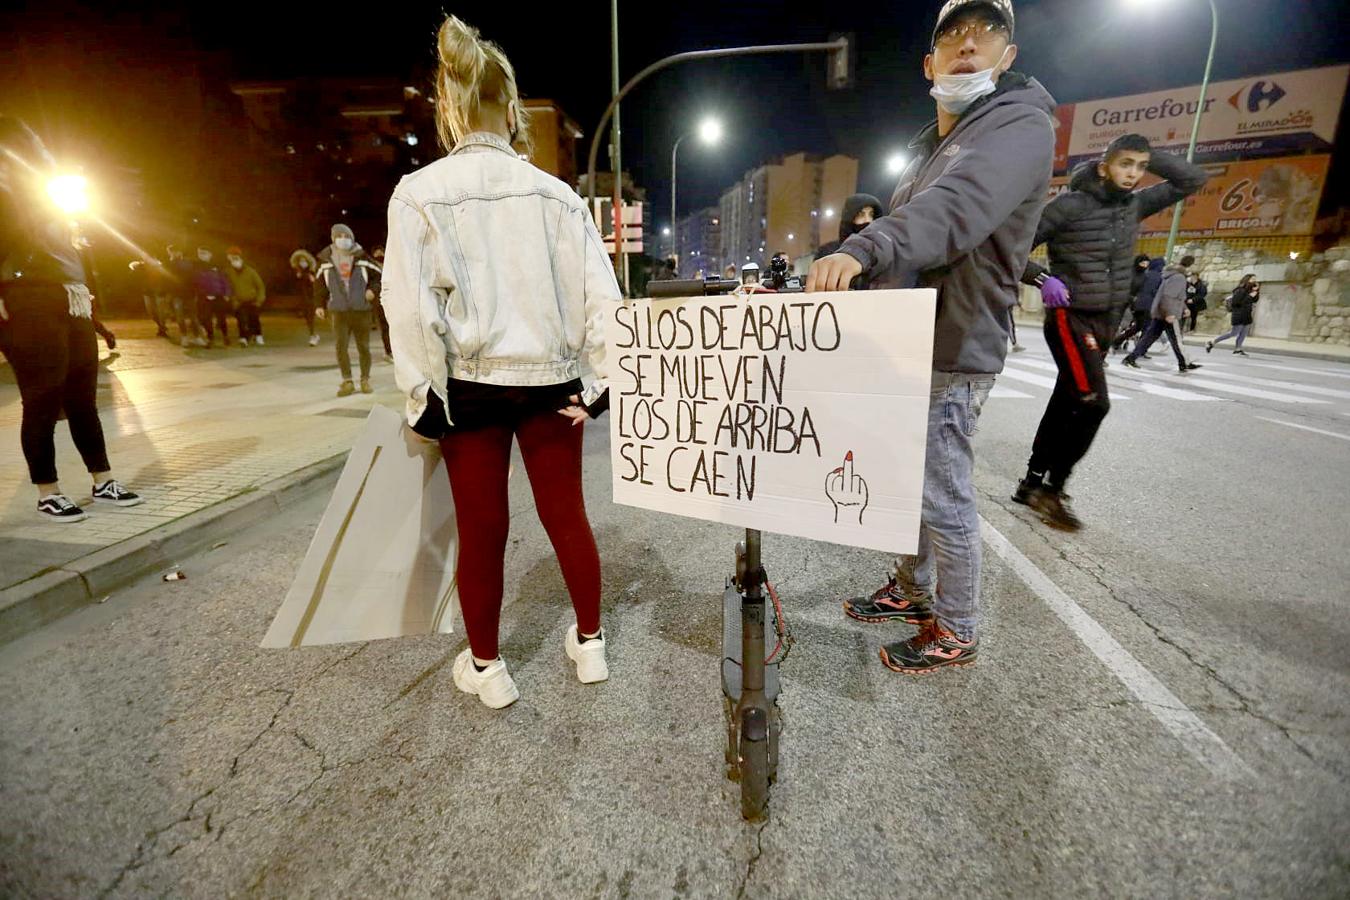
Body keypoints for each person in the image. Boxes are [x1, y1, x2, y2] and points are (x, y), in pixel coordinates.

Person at [809, 0, 1056, 674]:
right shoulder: (939, 141)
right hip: (912, 340)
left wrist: (867, 246)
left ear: (1009, 55)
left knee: (943, 494)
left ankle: (957, 626)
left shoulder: (1016, 126)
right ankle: (912, 589)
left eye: (987, 33)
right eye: (953, 35)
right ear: (930, 63)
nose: (968, 45)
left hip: (955, 342)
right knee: (905, 484)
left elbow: (957, 210)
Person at [382, 14, 620, 708]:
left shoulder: (419, 193)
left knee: (484, 530)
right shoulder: (560, 196)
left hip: (473, 388)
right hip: (552, 383)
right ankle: (590, 642)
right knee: (566, 516)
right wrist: (600, 386)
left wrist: (421, 399)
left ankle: (488, 667)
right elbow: (599, 299)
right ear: (513, 109)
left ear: (450, 109)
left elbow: (409, 307)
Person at [1011, 133, 1207, 529]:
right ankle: (1052, 490)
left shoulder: (1134, 204)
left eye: (1139, 166)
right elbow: (1011, 245)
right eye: (1124, 164)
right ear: (1105, 166)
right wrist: (1042, 277)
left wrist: (1150, 158)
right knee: (1093, 402)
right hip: (1071, 315)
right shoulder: (1069, 206)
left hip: (1106, 320)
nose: (1133, 174)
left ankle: (1031, 480)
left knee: (1067, 398)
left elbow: (1192, 180)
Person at [0, 116, 143, 522]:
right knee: (42, 397)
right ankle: (48, 492)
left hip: (71, 296)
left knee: (82, 395)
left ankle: (103, 481)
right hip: (25, 297)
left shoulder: (45, 194)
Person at [314, 224, 380, 395]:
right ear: (333, 238)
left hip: (361, 309)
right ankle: (347, 381)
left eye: (347, 236)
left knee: (363, 346)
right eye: (340, 236)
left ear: (352, 238)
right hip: (338, 310)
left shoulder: (362, 257)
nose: (343, 239)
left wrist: (372, 290)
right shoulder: (325, 261)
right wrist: (319, 305)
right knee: (340, 346)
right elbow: (319, 285)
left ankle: (365, 379)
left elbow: (378, 277)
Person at [1123, 254, 1202, 373]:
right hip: (1169, 313)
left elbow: (1174, 296)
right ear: (1190, 265)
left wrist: (1184, 307)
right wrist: (1170, 313)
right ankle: (1184, 363)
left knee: (1149, 337)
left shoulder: (1170, 275)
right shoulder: (1179, 277)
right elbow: (1169, 296)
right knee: (1176, 338)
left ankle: (1130, 358)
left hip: (1162, 311)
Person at [1113, 256, 1164, 354]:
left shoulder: (1145, 275)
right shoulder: (1136, 274)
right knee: (1142, 327)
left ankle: (1120, 342)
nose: (1144, 266)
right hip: (1131, 303)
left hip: (1135, 303)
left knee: (1139, 326)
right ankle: (1137, 350)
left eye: (1146, 264)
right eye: (1142, 264)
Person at [1207, 274, 1259, 356]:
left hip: (1247, 315)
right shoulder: (1240, 290)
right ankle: (1212, 342)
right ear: (1247, 280)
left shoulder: (1250, 291)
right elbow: (1236, 303)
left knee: (1243, 334)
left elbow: (1254, 300)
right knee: (1233, 333)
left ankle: (1238, 349)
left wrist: (1256, 291)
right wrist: (1249, 296)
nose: (1254, 281)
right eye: (1252, 279)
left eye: (1255, 279)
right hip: (1239, 315)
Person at [224, 246, 267, 346]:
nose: (235, 262)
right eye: (232, 260)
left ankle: (258, 335)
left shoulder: (250, 271)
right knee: (241, 320)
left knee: (254, 318)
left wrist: (259, 300)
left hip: (252, 299)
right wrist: (233, 299)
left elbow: (260, 286)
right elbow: (229, 287)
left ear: (241, 259)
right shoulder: (229, 272)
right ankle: (243, 337)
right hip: (239, 301)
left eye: (236, 259)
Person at [165, 244, 206, 347]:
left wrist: (195, 290)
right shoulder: (170, 264)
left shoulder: (187, 263)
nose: (173, 254)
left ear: (179, 252)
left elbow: (193, 277)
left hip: (189, 293)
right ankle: (184, 337)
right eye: (171, 252)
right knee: (180, 317)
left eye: (174, 252)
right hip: (177, 294)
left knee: (193, 317)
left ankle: (197, 337)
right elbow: (167, 279)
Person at [193, 246, 232, 347]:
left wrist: (227, 293)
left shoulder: (217, 266)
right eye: (200, 253)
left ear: (210, 254)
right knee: (206, 318)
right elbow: (195, 282)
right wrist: (202, 293)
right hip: (204, 296)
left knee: (221, 317)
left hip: (218, 295)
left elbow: (225, 280)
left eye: (204, 253)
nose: (201, 255)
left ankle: (225, 336)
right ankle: (210, 338)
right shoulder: (196, 266)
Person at [290, 249, 320, 345]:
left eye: (304, 260)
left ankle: (314, 335)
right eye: (300, 261)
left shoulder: (313, 272)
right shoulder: (298, 273)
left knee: (312, 316)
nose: (302, 262)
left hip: (313, 298)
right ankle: (313, 335)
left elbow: (317, 285)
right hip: (303, 299)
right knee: (309, 317)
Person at [369, 245, 392, 361]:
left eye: (381, 254)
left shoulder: (392, 264)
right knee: (385, 327)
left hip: (394, 299)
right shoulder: (373, 268)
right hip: (380, 301)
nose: (379, 257)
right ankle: (389, 352)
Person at [1184, 269, 1208, 333]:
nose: (1191, 277)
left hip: (1196, 303)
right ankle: (1182, 329)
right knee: (1184, 315)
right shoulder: (1188, 284)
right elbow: (1184, 291)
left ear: (1196, 276)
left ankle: (1192, 329)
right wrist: (1186, 299)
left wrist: (1193, 300)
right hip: (1187, 302)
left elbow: (1202, 294)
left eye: (1192, 275)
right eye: (1191, 276)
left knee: (1193, 316)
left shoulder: (1201, 284)